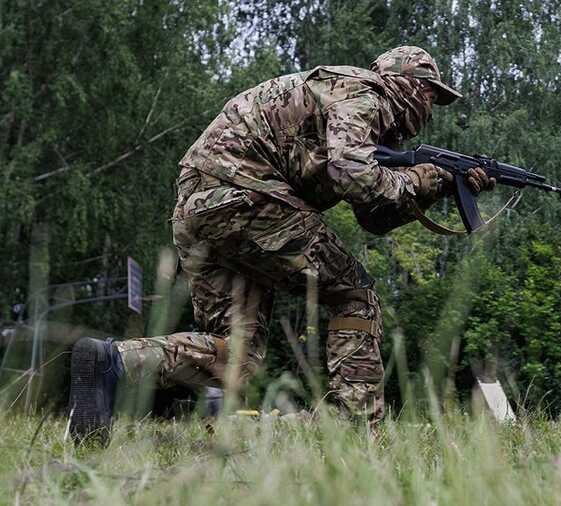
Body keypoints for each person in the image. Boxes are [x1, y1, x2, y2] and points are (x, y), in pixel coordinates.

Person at [68, 46, 495, 443]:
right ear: (404, 84)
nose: (428, 109)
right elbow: (352, 173)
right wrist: (419, 179)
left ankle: (112, 362)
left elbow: (373, 216)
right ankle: (358, 426)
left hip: (201, 204)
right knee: (354, 294)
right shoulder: (366, 94)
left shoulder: (350, 104)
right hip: (245, 193)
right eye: (428, 94)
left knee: (237, 355)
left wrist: (433, 189)